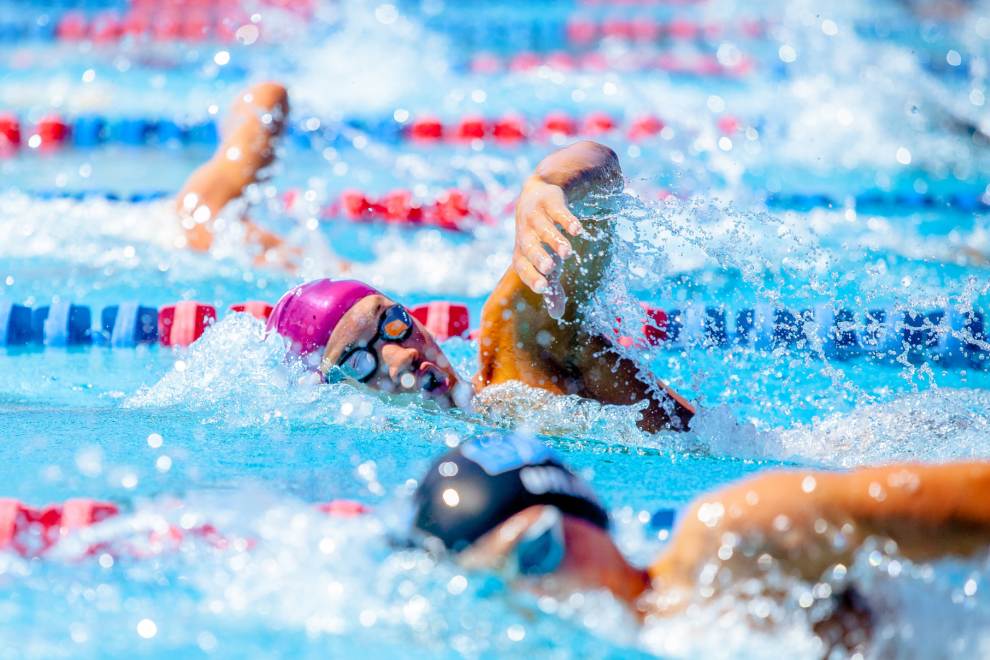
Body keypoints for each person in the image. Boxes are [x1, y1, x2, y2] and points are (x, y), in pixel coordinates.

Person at [176, 82, 695, 432]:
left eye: (393, 324)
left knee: (214, 228)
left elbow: (602, 169)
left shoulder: (516, 354)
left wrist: (545, 184)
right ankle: (226, 169)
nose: (402, 356)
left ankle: (244, 140)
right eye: (359, 362)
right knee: (210, 228)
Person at [411, 431, 990, 652]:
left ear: (585, 515)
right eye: (499, 583)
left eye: (536, 550)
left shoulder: (737, 539)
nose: (536, 588)